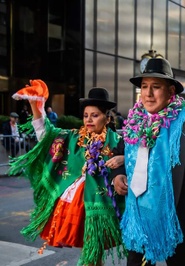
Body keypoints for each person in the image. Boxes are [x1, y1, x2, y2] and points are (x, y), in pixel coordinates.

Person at [112, 58, 185, 266]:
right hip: (140, 213)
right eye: (144, 87)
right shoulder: (134, 121)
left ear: (170, 92)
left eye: (156, 87)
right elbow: (121, 152)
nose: (148, 94)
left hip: (175, 215)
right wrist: (119, 174)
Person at [9, 82, 126, 266]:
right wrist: (35, 104)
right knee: (90, 251)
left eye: (95, 115)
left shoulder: (118, 142)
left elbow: (138, 161)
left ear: (107, 118)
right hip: (75, 202)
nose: (89, 120)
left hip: (101, 205)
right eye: (86, 115)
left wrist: (123, 159)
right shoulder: (72, 137)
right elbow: (46, 135)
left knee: (93, 251)